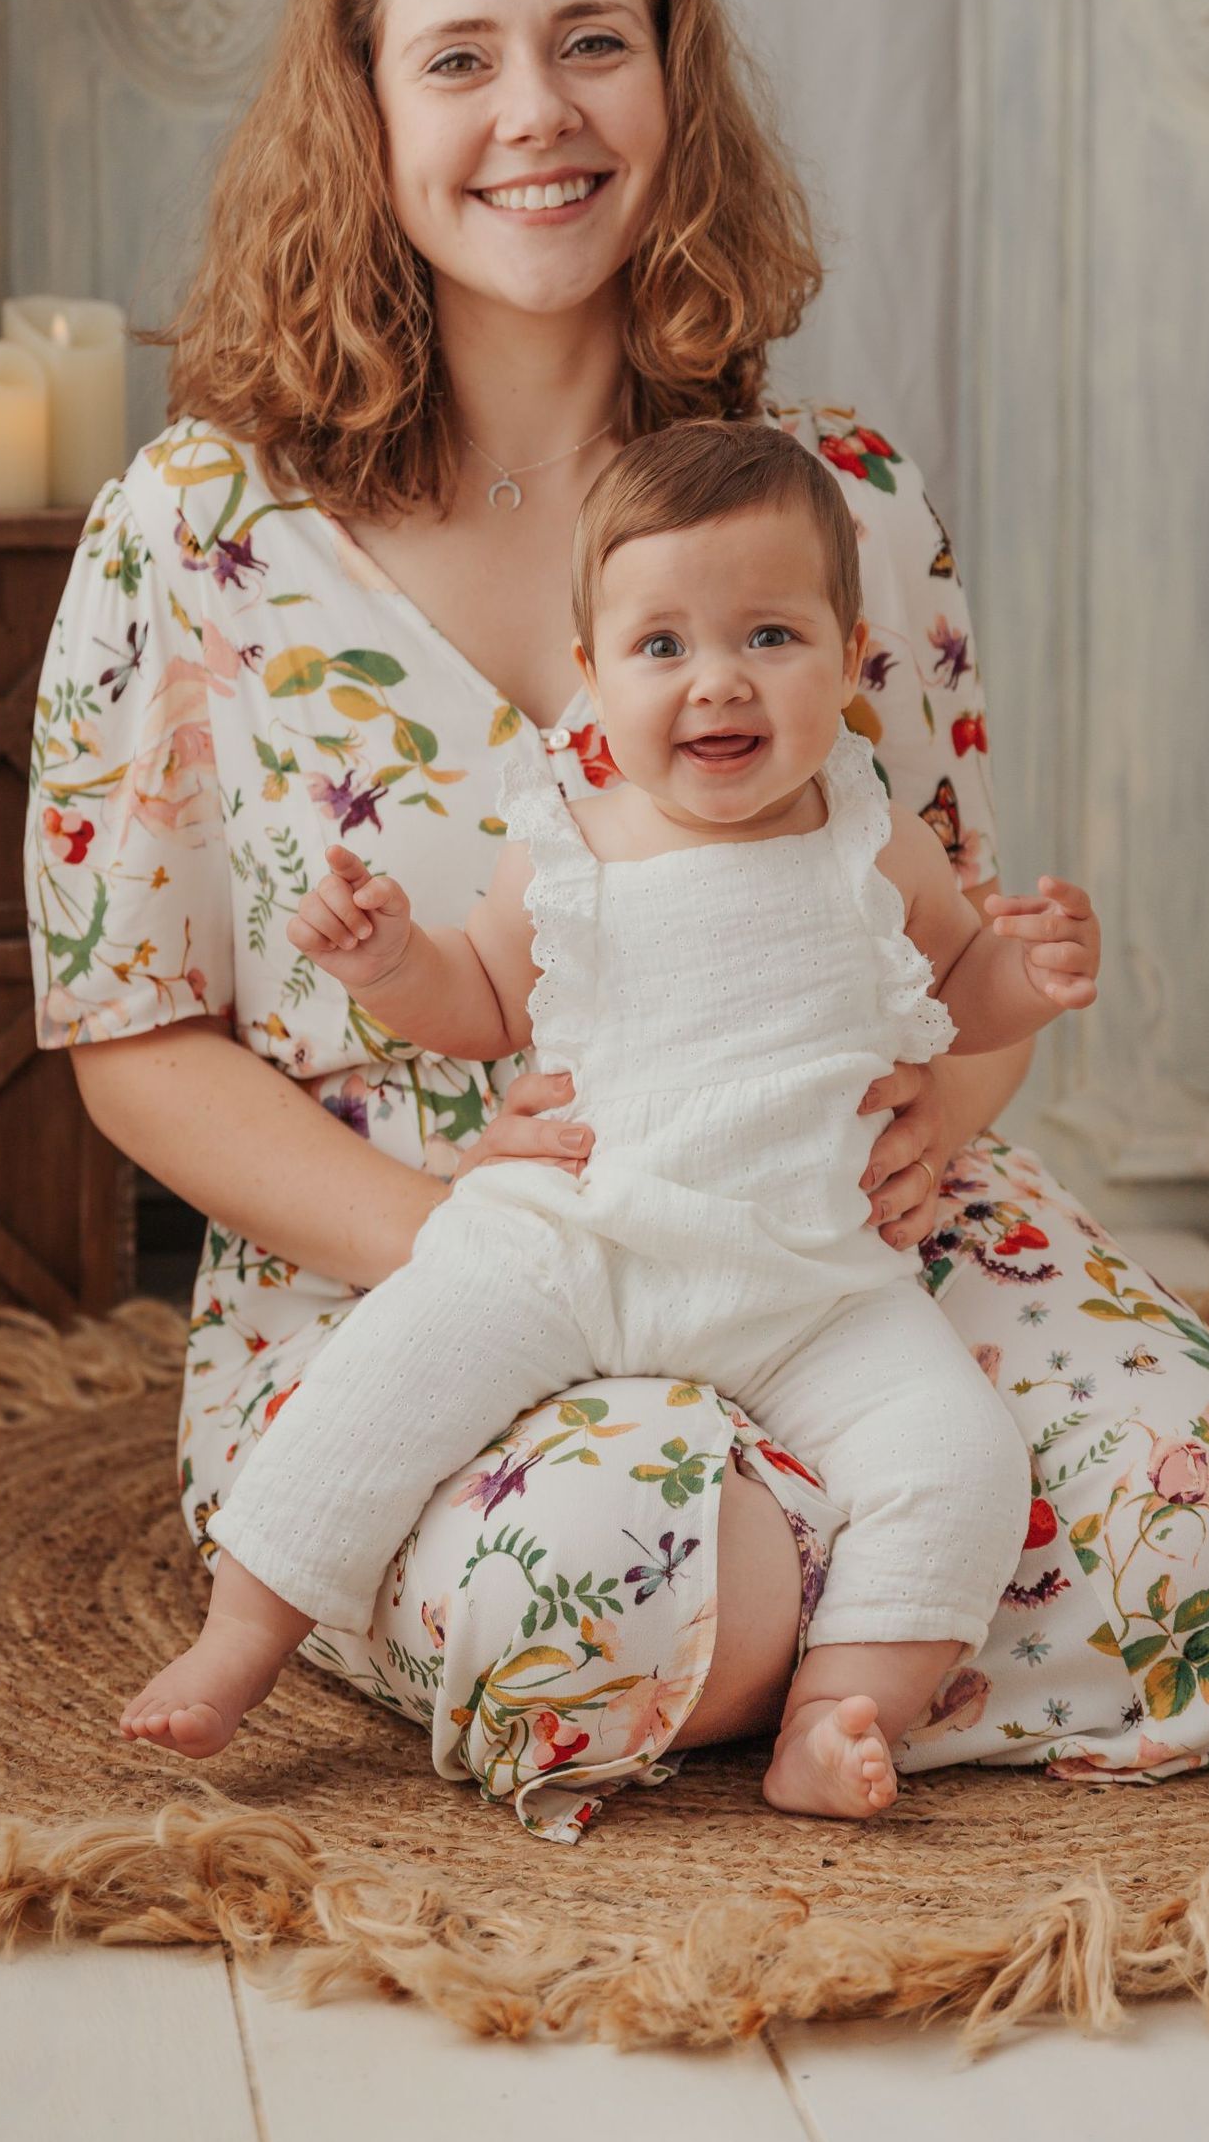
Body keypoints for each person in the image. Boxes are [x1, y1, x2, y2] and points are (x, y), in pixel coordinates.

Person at [29, 0, 1209, 1845]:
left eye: (594, 43)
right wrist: (469, 1245)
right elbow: (132, 1032)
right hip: (420, 1259)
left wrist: (945, 1111)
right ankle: (793, 1616)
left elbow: (942, 945)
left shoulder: (835, 497)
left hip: (828, 1238)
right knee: (596, 1600)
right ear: (364, 115)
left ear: (673, 86)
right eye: (460, 58)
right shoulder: (197, 528)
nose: (537, 110)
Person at [117, 422, 1103, 1816]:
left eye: (770, 636)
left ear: (848, 658)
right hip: (577, 1241)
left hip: (814, 1279)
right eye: (662, 647)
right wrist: (390, 963)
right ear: (592, 675)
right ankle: (237, 1644)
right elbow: (479, 999)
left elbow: (954, 991)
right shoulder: (570, 839)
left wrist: (1029, 974)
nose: (718, 681)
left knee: (961, 1459)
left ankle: (838, 1718)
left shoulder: (873, 837)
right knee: (385, 1380)